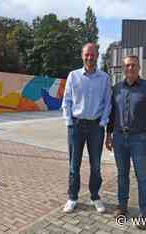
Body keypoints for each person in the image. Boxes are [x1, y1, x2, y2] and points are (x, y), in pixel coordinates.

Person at [105, 55, 146, 228]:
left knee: (142, 177)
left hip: (139, 139)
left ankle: (144, 213)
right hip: (119, 138)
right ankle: (122, 207)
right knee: (122, 175)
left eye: (134, 65)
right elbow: (111, 114)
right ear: (123, 68)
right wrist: (108, 135)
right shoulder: (116, 89)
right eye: (127, 65)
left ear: (139, 67)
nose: (130, 68)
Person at [61, 43, 112, 213]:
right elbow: (66, 101)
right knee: (74, 165)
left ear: (97, 55)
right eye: (86, 55)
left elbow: (107, 103)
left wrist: (102, 122)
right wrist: (69, 122)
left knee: (95, 165)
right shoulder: (73, 76)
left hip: (96, 127)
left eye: (92, 54)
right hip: (76, 125)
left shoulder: (104, 78)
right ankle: (72, 197)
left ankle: (95, 196)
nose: (90, 58)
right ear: (82, 56)